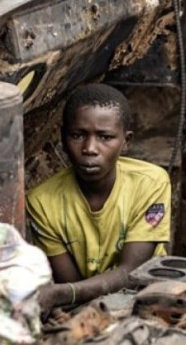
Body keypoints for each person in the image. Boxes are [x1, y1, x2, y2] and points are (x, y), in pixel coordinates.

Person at [26, 83, 171, 313]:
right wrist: (69, 295)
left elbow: (132, 271)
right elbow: (71, 284)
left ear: (126, 142)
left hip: (147, 296)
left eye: (105, 137)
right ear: (63, 139)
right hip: (87, 305)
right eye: (77, 135)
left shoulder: (150, 182)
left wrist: (60, 294)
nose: (90, 148)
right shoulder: (42, 201)